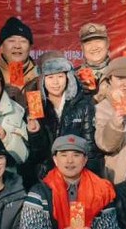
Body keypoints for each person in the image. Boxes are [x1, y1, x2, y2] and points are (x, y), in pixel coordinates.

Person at [24, 52, 101, 182]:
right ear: (42, 80)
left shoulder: (84, 104)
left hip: (77, 172)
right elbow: (37, 154)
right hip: (47, 175)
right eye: (50, 77)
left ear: (68, 77)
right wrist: (34, 132)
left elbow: (90, 147)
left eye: (60, 76)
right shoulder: (35, 105)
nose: (55, 82)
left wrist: (91, 179)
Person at [0, 16, 39, 96]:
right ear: (1, 46)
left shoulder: (39, 74)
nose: (17, 46)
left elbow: (36, 105)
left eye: (23, 41)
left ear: (30, 47)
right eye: (11, 41)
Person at [78, 22, 112, 92]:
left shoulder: (119, 73)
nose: (94, 47)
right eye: (88, 43)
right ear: (82, 48)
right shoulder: (74, 77)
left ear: (108, 43)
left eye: (98, 41)